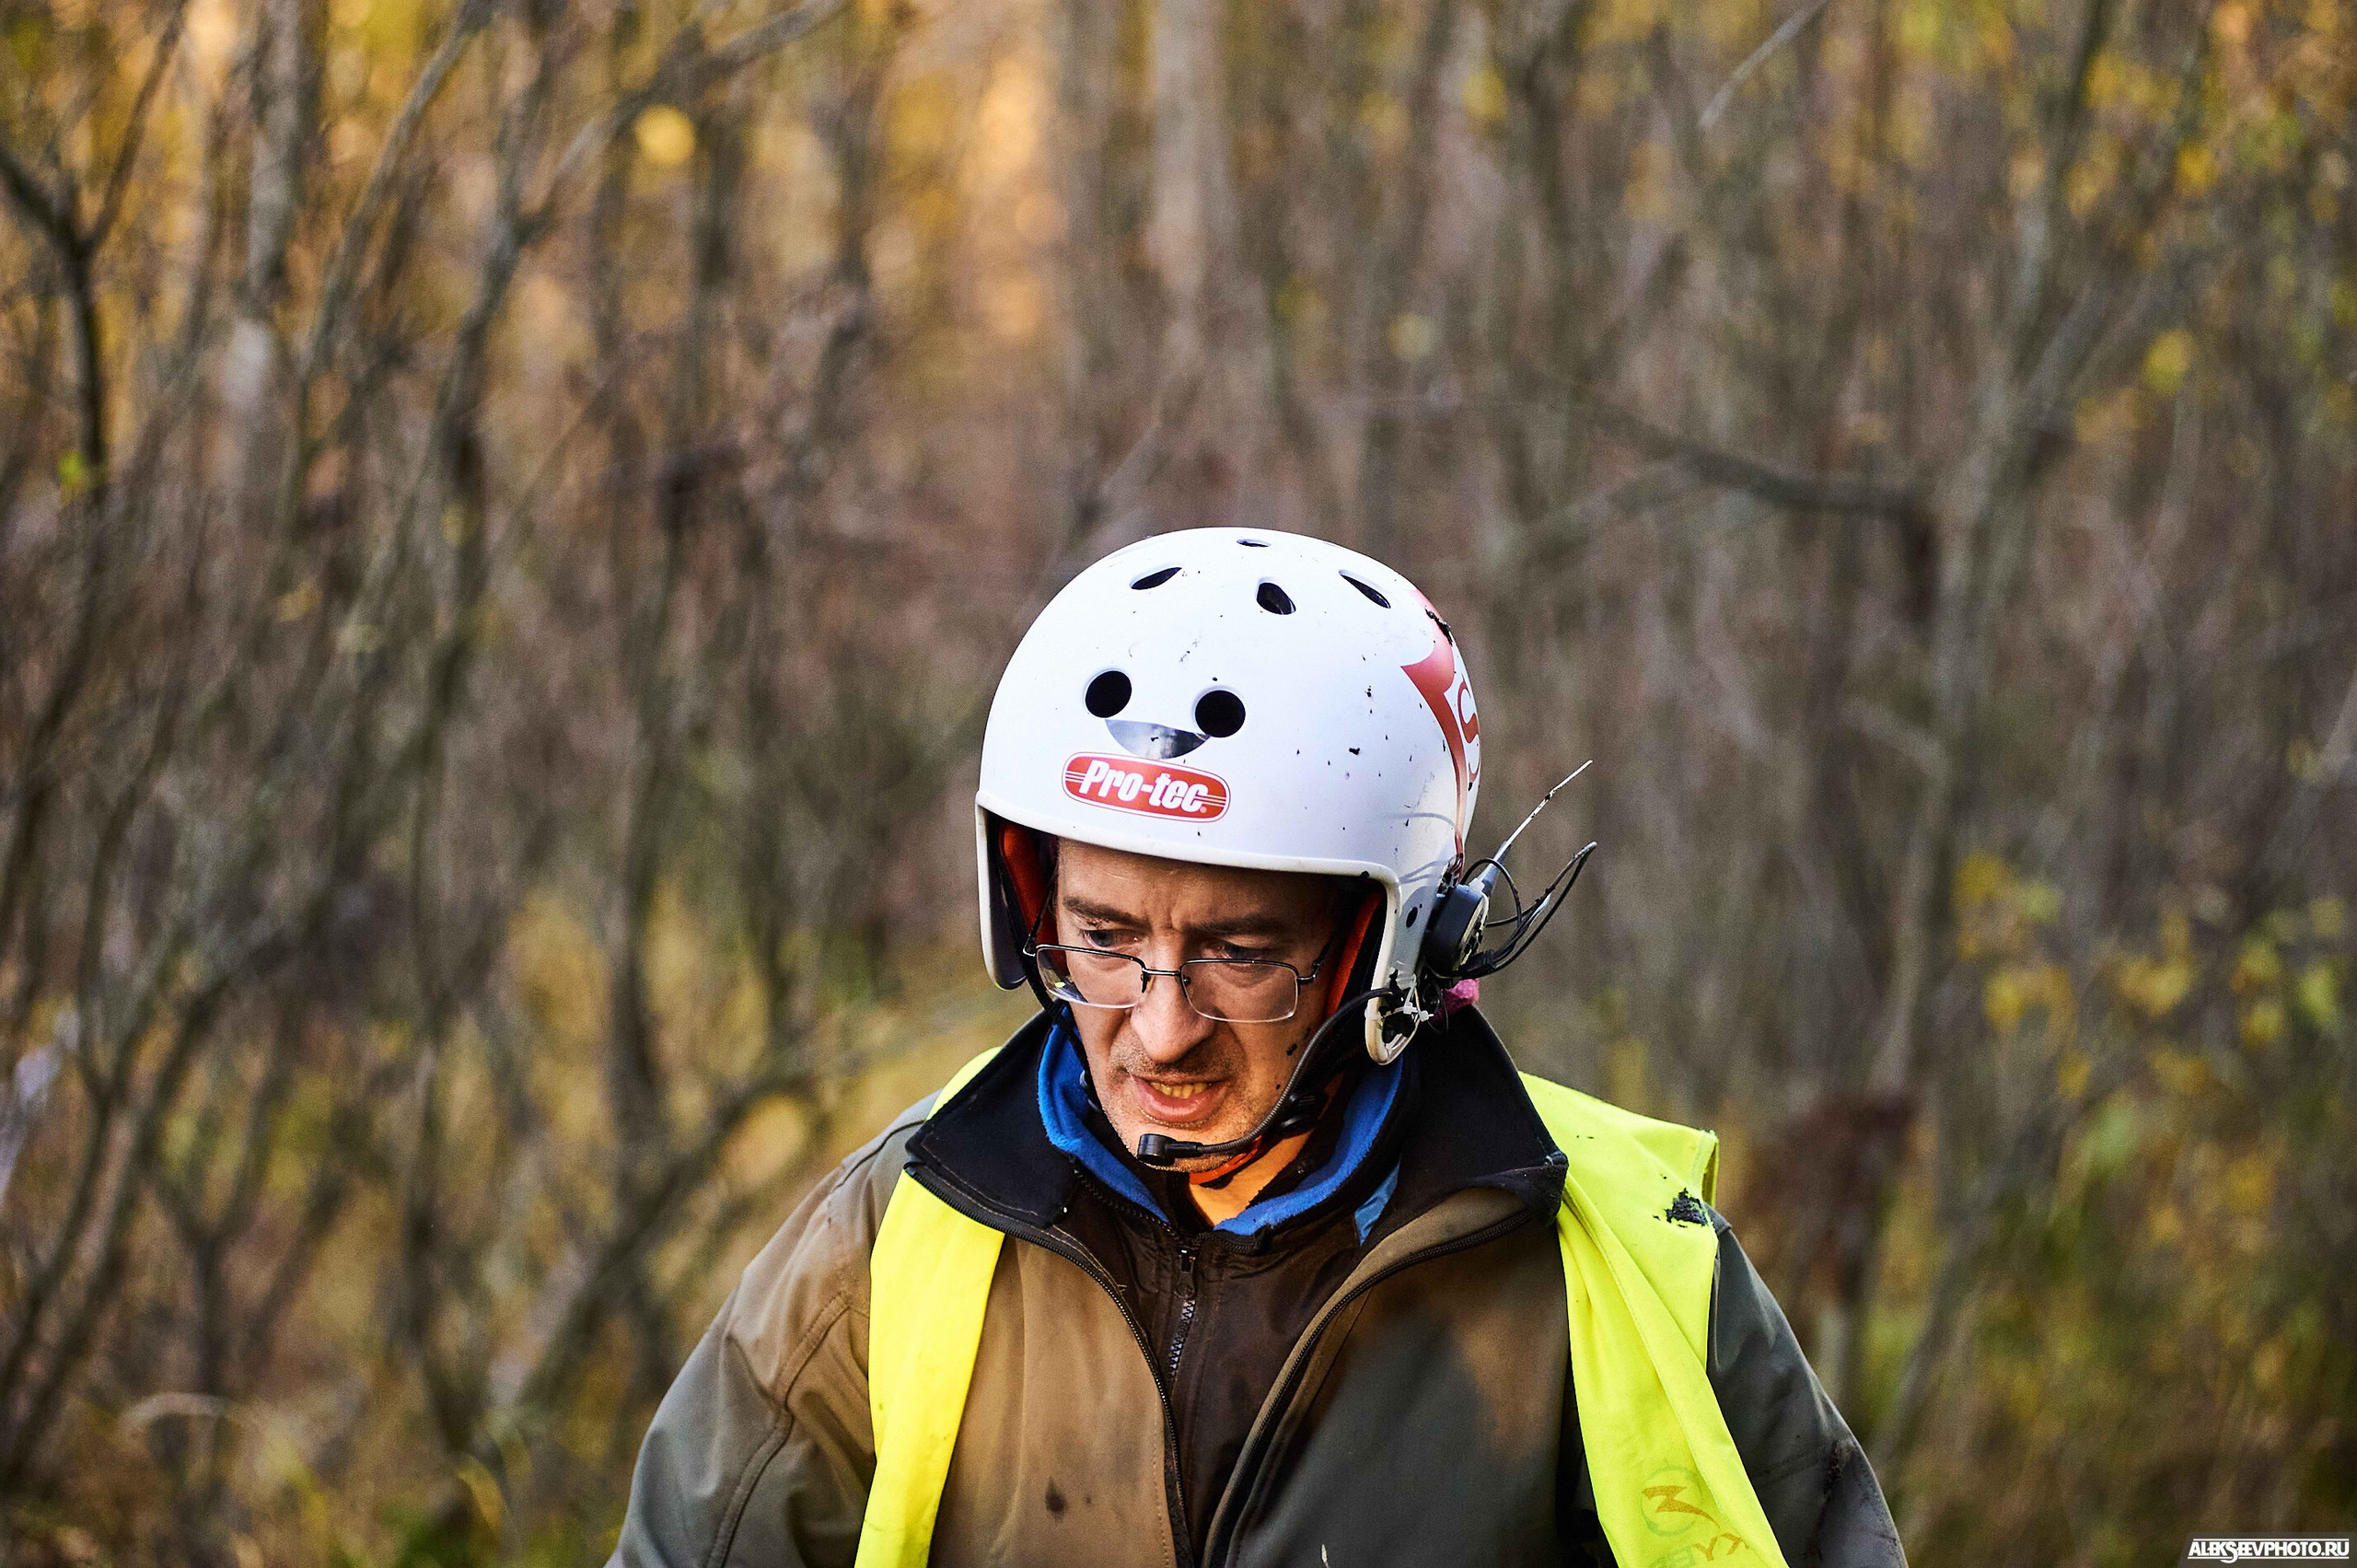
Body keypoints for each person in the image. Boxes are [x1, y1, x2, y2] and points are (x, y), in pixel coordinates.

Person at [611, 529, 1907, 1568]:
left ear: (1391, 946)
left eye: (1242, 955)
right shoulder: (906, 1226)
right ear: (1027, 904)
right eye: (1104, 937)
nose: (1161, 1029)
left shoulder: (1620, 1265)